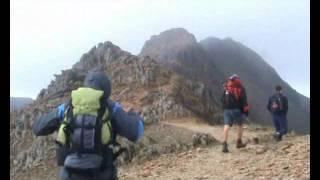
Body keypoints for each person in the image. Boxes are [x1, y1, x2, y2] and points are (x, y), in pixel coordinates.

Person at [32, 70, 144, 180]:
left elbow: (38, 128)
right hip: (102, 175)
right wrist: (134, 116)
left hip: (69, 176)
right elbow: (137, 132)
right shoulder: (111, 108)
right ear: (106, 89)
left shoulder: (67, 107)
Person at [221, 74, 249, 153]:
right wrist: (246, 111)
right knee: (240, 125)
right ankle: (239, 142)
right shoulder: (241, 88)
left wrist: (224, 108)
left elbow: (222, 99)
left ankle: (224, 144)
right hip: (236, 110)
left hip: (227, 110)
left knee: (226, 126)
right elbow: (244, 101)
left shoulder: (227, 88)